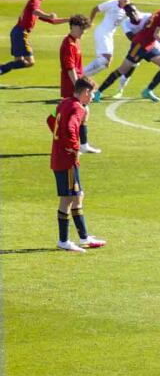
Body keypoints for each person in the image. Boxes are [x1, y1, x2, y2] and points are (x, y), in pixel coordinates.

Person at [47, 77, 107, 252]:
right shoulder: (77, 107)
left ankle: (80, 237)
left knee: (72, 196)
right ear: (86, 92)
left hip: (57, 157)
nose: (93, 96)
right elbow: (72, 128)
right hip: (67, 161)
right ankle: (71, 240)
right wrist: (73, 148)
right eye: (92, 93)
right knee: (73, 197)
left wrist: (59, 140)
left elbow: (50, 120)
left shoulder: (64, 102)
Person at [94, 0, 160, 103]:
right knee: (123, 70)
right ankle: (98, 92)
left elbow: (155, 25)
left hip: (149, 45)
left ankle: (148, 91)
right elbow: (156, 34)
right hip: (139, 45)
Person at [0, 0, 67, 76]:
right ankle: (1, 68)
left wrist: (69, 19)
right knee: (30, 61)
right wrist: (48, 15)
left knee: (19, 62)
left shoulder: (36, 6)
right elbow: (36, 11)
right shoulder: (35, 1)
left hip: (16, 32)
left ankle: (1, 69)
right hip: (21, 33)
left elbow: (53, 21)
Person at [60, 14, 101, 154]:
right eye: (82, 28)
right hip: (72, 86)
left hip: (77, 84)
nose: (83, 32)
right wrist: (79, 86)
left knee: (83, 112)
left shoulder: (75, 41)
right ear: (74, 27)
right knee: (72, 114)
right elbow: (70, 68)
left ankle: (82, 144)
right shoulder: (68, 44)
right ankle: (72, 145)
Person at [83, 0, 134, 77]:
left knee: (107, 63)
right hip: (102, 32)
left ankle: (83, 77)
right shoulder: (112, 3)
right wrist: (90, 22)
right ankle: (80, 76)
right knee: (105, 58)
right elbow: (95, 9)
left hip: (109, 35)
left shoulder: (130, 10)